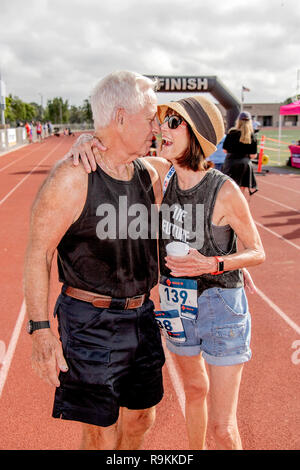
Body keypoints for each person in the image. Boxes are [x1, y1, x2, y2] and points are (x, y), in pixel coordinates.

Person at [69, 94, 265, 450]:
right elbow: (116, 149)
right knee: (193, 390)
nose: (162, 129)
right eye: (163, 121)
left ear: (197, 133)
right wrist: (86, 141)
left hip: (220, 305)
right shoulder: (162, 175)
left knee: (223, 427)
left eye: (174, 122)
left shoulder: (225, 189)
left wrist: (216, 262)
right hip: (177, 303)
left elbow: (258, 251)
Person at [24, 71, 165, 451]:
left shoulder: (150, 173)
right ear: (120, 117)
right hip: (90, 322)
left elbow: (192, 159)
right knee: (99, 433)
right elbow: (39, 254)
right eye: (150, 117)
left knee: (141, 418)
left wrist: (92, 137)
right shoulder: (72, 178)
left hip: (141, 316)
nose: (156, 126)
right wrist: (40, 331)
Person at [222, 111, 258, 200]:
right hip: (245, 164)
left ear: (238, 121)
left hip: (231, 163)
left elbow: (225, 150)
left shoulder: (231, 133)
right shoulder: (252, 136)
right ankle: (239, 209)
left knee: (229, 188)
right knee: (241, 191)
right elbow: (253, 155)